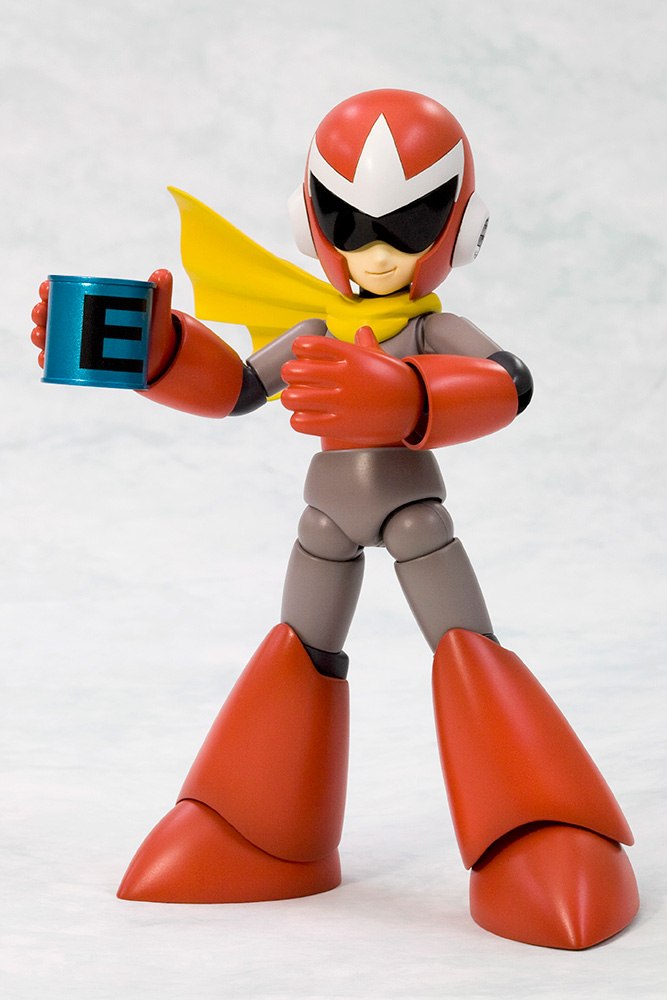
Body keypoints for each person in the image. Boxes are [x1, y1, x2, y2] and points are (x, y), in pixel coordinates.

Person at [31, 89, 638, 949]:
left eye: (410, 224)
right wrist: (159, 354)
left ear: (460, 228)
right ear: (310, 220)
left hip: (414, 518)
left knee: (466, 647)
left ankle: (539, 825)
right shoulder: (318, 324)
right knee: (298, 650)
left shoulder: (432, 332)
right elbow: (239, 388)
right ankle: (257, 829)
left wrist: (407, 396)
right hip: (325, 520)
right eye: (346, 223)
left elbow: (509, 383)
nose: (377, 250)